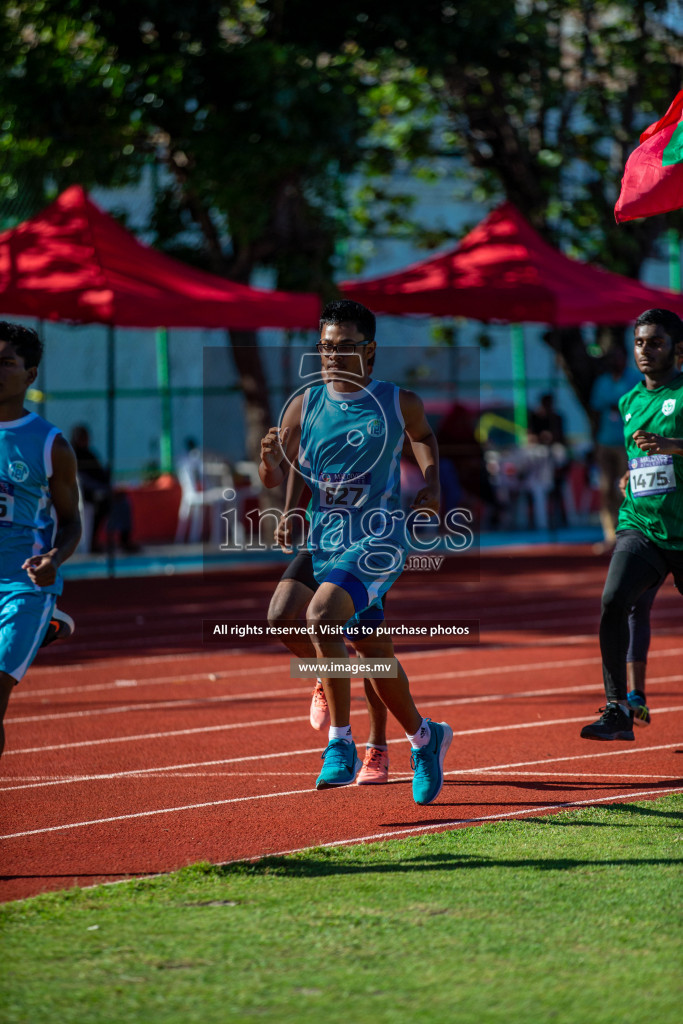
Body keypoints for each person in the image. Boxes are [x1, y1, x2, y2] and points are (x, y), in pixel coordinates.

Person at [259, 300, 452, 805]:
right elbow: (290, 469)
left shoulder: (396, 400)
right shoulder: (304, 404)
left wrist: (432, 487)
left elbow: (424, 436)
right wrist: (285, 503)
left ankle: (340, 744)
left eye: (344, 347)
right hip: (325, 535)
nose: (332, 356)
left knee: (322, 615)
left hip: (377, 538)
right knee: (292, 621)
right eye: (325, 347)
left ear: (369, 351)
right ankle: (425, 737)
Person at [581, 309, 683, 741]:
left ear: (678, 349)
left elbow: (664, 450)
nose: (645, 350)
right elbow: (641, 459)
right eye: (640, 342)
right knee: (613, 601)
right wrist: (631, 476)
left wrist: (670, 446)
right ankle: (619, 709)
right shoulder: (627, 401)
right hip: (641, 524)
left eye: (655, 342)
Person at [0, 322, 81, 755]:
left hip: (23, 585)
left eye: (6, 363)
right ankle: (46, 629)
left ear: (30, 374)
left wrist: (55, 557)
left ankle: (41, 618)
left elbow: (72, 523)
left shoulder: (50, 444)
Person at [589, 348, 640, 550]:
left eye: (618, 357)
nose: (615, 362)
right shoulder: (602, 382)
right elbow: (595, 409)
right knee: (606, 489)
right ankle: (611, 536)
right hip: (605, 442)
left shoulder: (635, 379)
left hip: (628, 444)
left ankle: (629, 534)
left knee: (627, 489)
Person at [70, 424, 137, 553]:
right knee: (104, 504)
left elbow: (100, 475)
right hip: (85, 495)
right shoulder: (72, 455)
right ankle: (92, 542)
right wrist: (104, 489)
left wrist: (108, 475)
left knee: (123, 502)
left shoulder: (90, 454)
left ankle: (124, 539)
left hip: (102, 491)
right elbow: (83, 480)